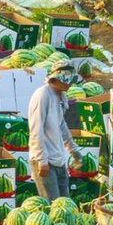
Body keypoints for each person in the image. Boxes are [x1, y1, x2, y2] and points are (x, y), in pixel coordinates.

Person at [28, 61, 85, 201]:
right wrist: (42, 160)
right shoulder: (42, 96)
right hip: (45, 161)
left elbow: (61, 125)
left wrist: (73, 149)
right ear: (56, 79)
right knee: (53, 207)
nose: (70, 85)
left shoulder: (61, 96)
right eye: (67, 81)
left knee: (65, 205)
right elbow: (36, 129)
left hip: (59, 160)